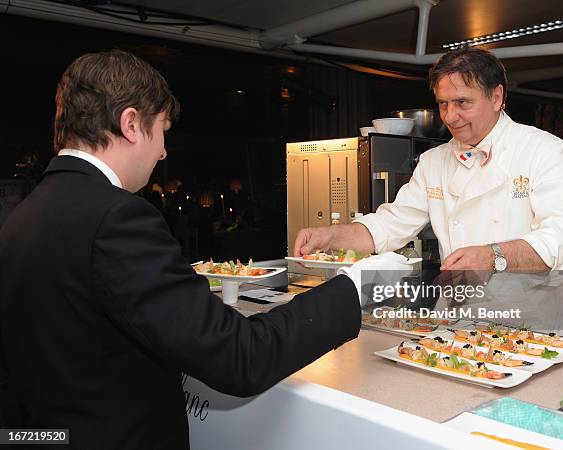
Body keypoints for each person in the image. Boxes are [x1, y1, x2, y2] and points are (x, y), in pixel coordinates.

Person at [0, 50, 360, 449]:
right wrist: (353, 290)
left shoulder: (22, 217)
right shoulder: (117, 218)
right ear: (132, 124)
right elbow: (239, 357)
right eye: (162, 132)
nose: (163, 152)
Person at [295, 47, 563, 331]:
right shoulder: (433, 161)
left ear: (497, 97)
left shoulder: (544, 151)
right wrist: (329, 236)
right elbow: (389, 224)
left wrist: (493, 257)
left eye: (462, 102)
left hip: (528, 326)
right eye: (443, 104)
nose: (449, 116)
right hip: (454, 325)